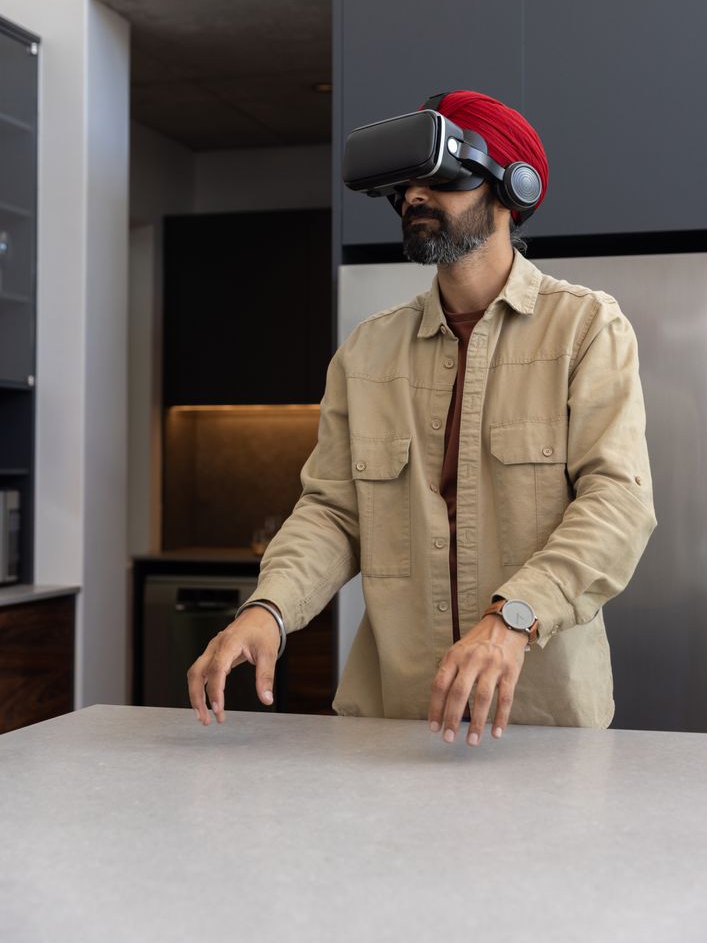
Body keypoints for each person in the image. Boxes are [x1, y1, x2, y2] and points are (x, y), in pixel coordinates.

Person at [187, 90, 657, 747]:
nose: (414, 196)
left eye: (439, 178)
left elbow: (618, 505)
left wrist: (513, 618)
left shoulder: (586, 329)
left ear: (509, 188)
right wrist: (269, 609)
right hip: (389, 726)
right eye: (407, 184)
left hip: (539, 729)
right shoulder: (366, 352)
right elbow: (332, 513)